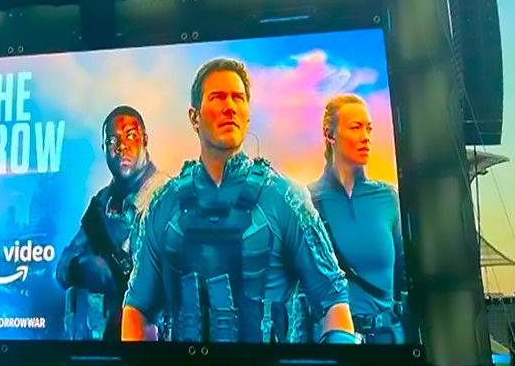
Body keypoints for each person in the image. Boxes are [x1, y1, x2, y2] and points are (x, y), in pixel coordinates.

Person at [122, 58, 356, 344]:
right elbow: (137, 310)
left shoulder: (285, 199)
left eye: (238, 98)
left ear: (247, 115)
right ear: (194, 117)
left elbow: (333, 300)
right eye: (218, 97)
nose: (230, 107)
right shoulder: (163, 204)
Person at [56, 106, 166, 340]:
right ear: (104, 148)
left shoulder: (168, 197)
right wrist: (83, 268)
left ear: (145, 140)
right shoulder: (101, 206)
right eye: (112, 141)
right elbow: (62, 268)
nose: (122, 146)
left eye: (130, 136)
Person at [308, 94, 406, 344]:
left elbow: (405, 276)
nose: (365, 137)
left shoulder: (388, 198)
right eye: (356, 127)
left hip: (387, 341)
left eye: (368, 129)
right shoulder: (307, 202)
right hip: (335, 343)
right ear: (330, 135)